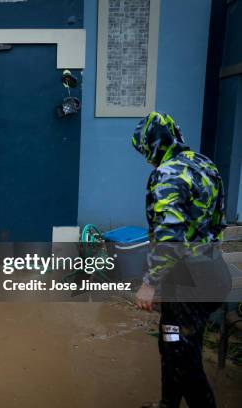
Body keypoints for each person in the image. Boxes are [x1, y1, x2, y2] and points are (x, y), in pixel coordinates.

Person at [132, 112, 230, 408]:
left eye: (145, 151)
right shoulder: (204, 164)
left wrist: (150, 284)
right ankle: (167, 403)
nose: (147, 159)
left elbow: (170, 237)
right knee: (171, 342)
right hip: (210, 273)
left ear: (153, 145)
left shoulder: (167, 174)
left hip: (189, 284)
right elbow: (217, 223)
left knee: (186, 362)